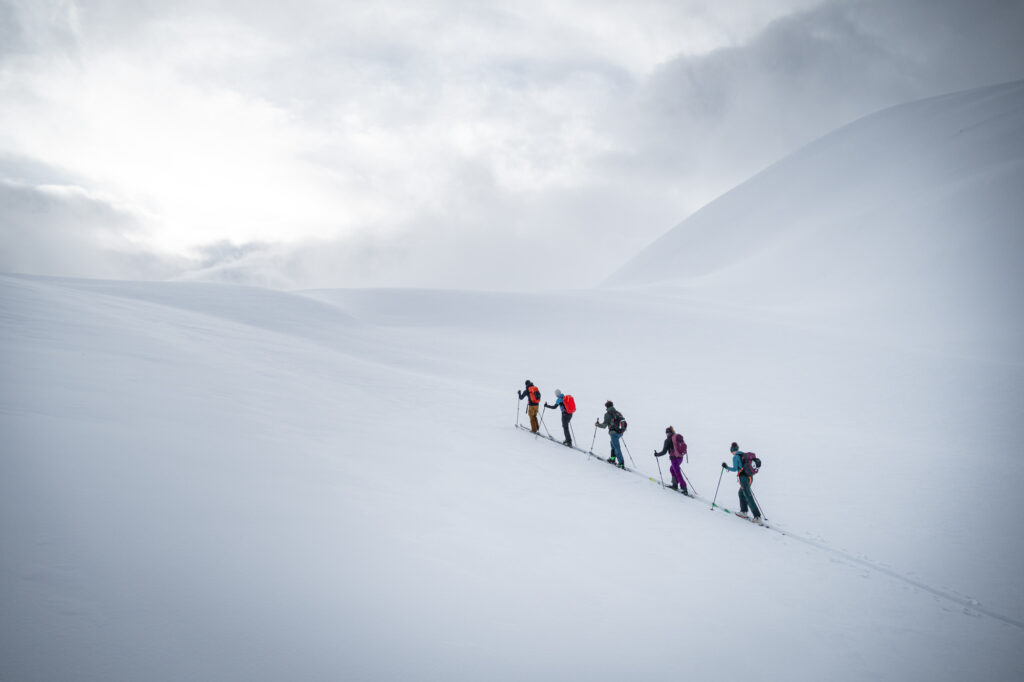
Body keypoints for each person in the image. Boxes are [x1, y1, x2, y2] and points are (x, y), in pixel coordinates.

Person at [722, 442, 762, 525]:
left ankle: (757, 517)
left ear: (732, 450)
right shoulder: (743, 454)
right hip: (750, 477)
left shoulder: (735, 457)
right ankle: (744, 511)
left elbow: (734, 469)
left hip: (744, 478)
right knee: (741, 493)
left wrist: (726, 467)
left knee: (748, 496)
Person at [654, 426, 689, 495]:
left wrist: (657, 454)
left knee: (678, 473)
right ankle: (675, 484)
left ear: (668, 433)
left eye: (666, 433)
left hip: (674, 459)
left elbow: (664, 452)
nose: (666, 434)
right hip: (680, 458)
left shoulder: (668, 440)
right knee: (672, 469)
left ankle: (684, 488)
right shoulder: (676, 437)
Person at [595, 400, 625, 468]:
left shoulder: (607, 414)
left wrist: (597, 425)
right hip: (620, 433)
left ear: (606, 406)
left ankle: (621, 463)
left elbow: (604, 426)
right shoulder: (618, 413)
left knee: (617, 448)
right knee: (612, 444)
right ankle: (612, 459)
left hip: (613, 433)